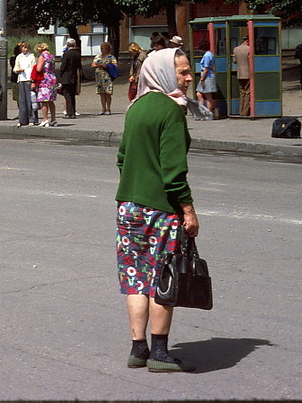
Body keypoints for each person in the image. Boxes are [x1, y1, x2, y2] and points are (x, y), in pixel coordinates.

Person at [116, 47, 201, 374]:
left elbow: (122, 158)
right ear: (166, 73)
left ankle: (138, 349)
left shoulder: (135, 108)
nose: (189, 77)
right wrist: (189, 210)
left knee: (136, 279)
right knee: (162, 277)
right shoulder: (170, 111)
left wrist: (135, 184)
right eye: (182, 72)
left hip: (128, 208)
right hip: (161, 210)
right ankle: (160, 353)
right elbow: (174, 171)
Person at [34, 42, 59, 126]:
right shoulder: (51, 56)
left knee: (44, 100)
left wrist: (35, 66)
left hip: (44, 79)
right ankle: (53, 119)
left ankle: (45, 119)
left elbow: (39, 68)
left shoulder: (42, 56)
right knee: (51, 100)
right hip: (52, 78)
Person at [58, 36, 82, 119]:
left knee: (67, 94)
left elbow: (63, 65)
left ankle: (69, 113)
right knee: (72, 95)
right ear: (74, 44)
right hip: (74, 76)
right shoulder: (77, 54)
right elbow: (79, 66)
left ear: (67, 45)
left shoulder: (66, 54)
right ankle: (73, 112)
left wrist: (60, 74)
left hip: (66, 76)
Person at [13, 41, 36, 126]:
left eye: (26, 47)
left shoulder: (31, 56)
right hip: (21, 79)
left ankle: (32, 118)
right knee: (22, 100)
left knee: (30, 100)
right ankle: (22, 120)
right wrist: (18, 70)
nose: (24, 49)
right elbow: (15, 68)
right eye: (23, 47)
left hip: (29, 79)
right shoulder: (19, 57)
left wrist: (33, 81)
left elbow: (34, 68)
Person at [93, 42, 117, 115]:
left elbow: (115, 65)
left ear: (107, 49)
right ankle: (103, 109)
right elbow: (93, 64)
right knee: (101, 93)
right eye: (101, 49)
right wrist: (98, 65)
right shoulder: (98, 57)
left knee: (107, 93)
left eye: (103, 49)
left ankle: (108, 109)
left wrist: (106, 66)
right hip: (99, 77)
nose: (102, 50)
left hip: (107, 76)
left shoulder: (111, 57)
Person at [195, 40, 217, 117]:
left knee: (208, 95)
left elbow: (206, 68)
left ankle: (207, 113)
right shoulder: (209, 54)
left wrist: (202, 79)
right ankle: (203, 111)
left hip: (207, 76)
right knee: (199, 94)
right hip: (207, 75)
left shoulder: (207, 55)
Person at [232, 36, 252, 117]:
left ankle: (241, 111)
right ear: (247, 41)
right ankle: (245, 112)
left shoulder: (236, 49)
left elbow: (234, 61)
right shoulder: (249, 49)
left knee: (242, 93)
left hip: (239, 73)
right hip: (248, 73)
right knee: (247, 93)